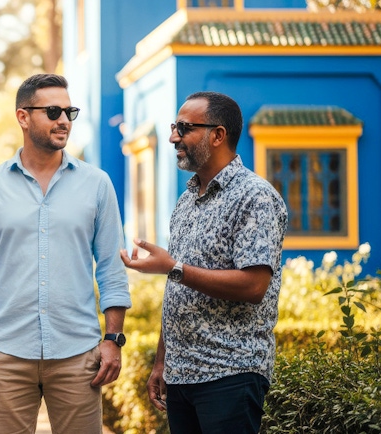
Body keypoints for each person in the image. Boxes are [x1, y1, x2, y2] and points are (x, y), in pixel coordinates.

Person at [0, 73, 131, 434]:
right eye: (53, 111)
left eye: (70, 111)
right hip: (5, 354)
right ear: (23, 117)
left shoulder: (97, 184)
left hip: (78, 354)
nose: (64, 120)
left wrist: (113, 339)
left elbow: (112, 269)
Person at [120, 91, 288, 433]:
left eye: (184, 128)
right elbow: (177, 291)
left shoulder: (255, 196)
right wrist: (162, 363)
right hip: (181, 376)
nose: (173, 137)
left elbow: (254, 286)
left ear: (218, 135)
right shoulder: (186, 200)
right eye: (173, 127)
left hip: (230, 373)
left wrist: (174, 268)